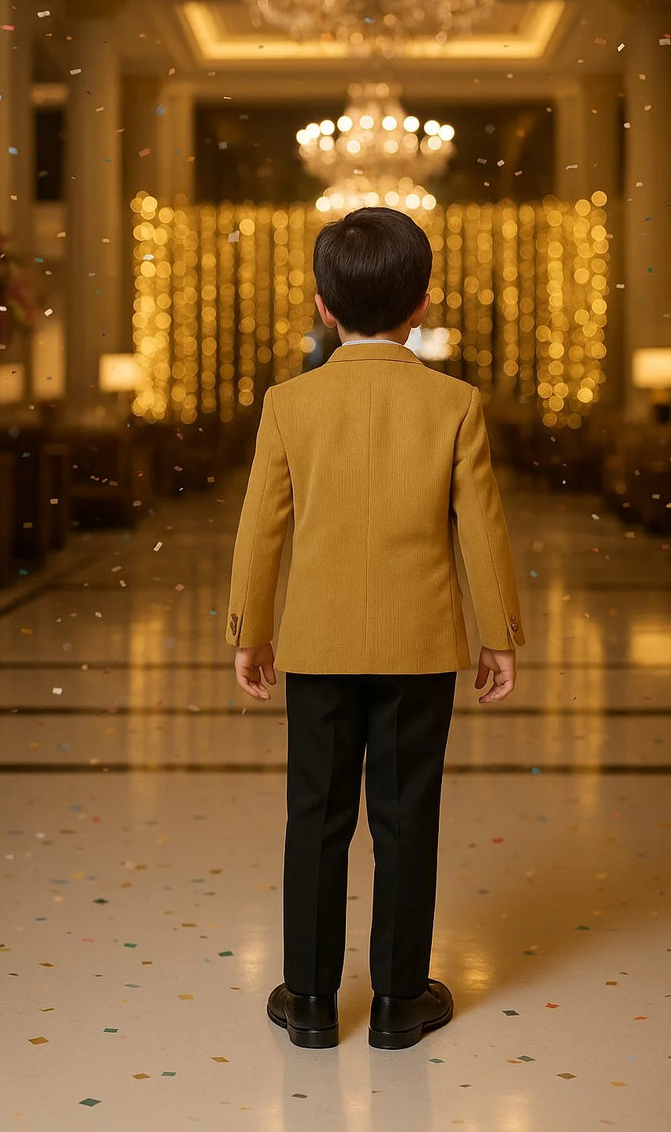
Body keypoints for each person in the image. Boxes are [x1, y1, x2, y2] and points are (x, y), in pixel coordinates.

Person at [226, 206, 524, 1050]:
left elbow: (261, 528)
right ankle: (398, 999)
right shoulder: (455, 403)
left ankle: (312, 999)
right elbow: (482, 526)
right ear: (422, 302)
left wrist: (250, 630)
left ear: (323, 304)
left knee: (314, 817)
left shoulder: (290, 404)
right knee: (405, 816)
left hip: (316, 647)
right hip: (420, 645)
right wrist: (497, 634)